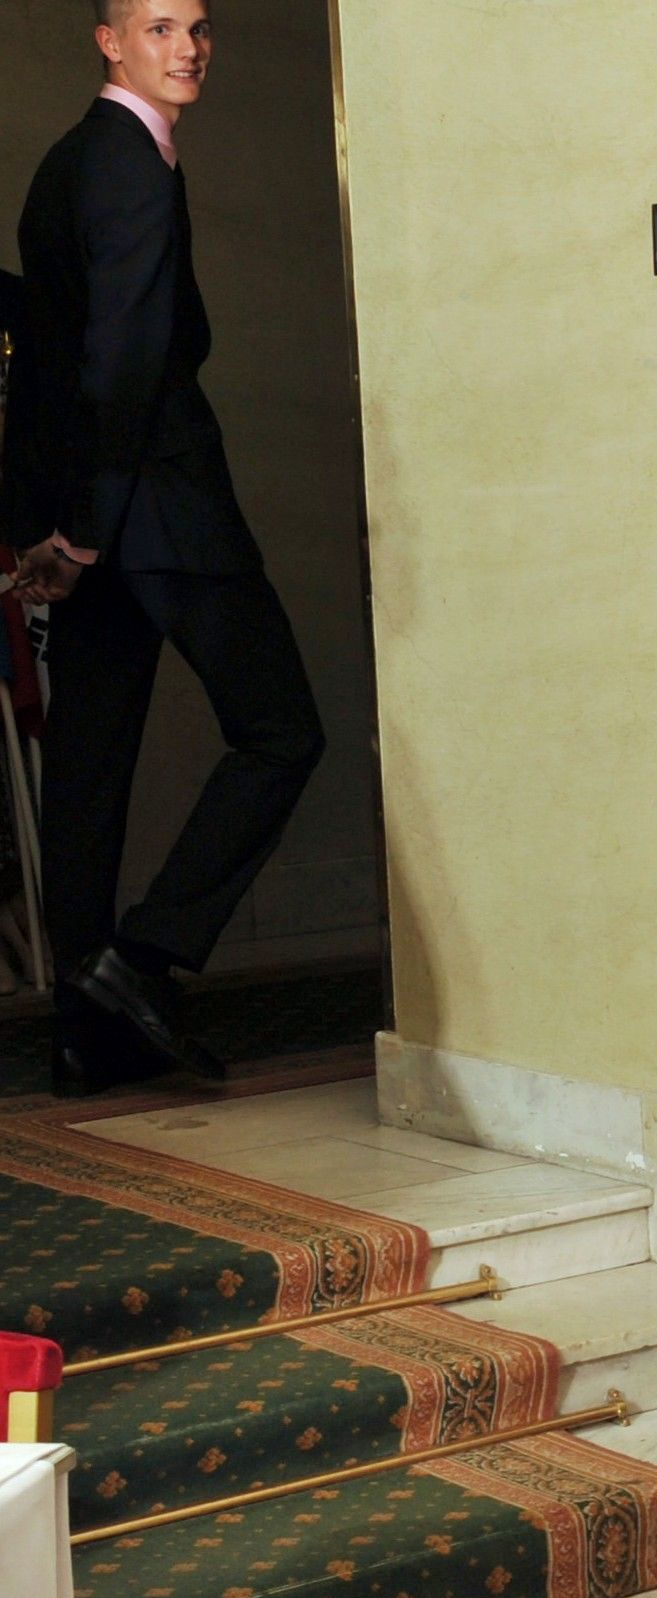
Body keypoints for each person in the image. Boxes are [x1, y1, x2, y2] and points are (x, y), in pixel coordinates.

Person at [3, 0, 325, 1096]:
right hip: (156, 514)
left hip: (95, 516)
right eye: (158, 28)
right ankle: (138, 961)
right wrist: (81, 535)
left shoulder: (74, 157)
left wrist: (46, 522)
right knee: (282, 731)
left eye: (198, 28)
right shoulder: (127, 166)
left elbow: (48, 356)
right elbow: (121, 363)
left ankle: (82, 1029)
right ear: (110, 41)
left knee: (87, 766)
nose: (186, 49)